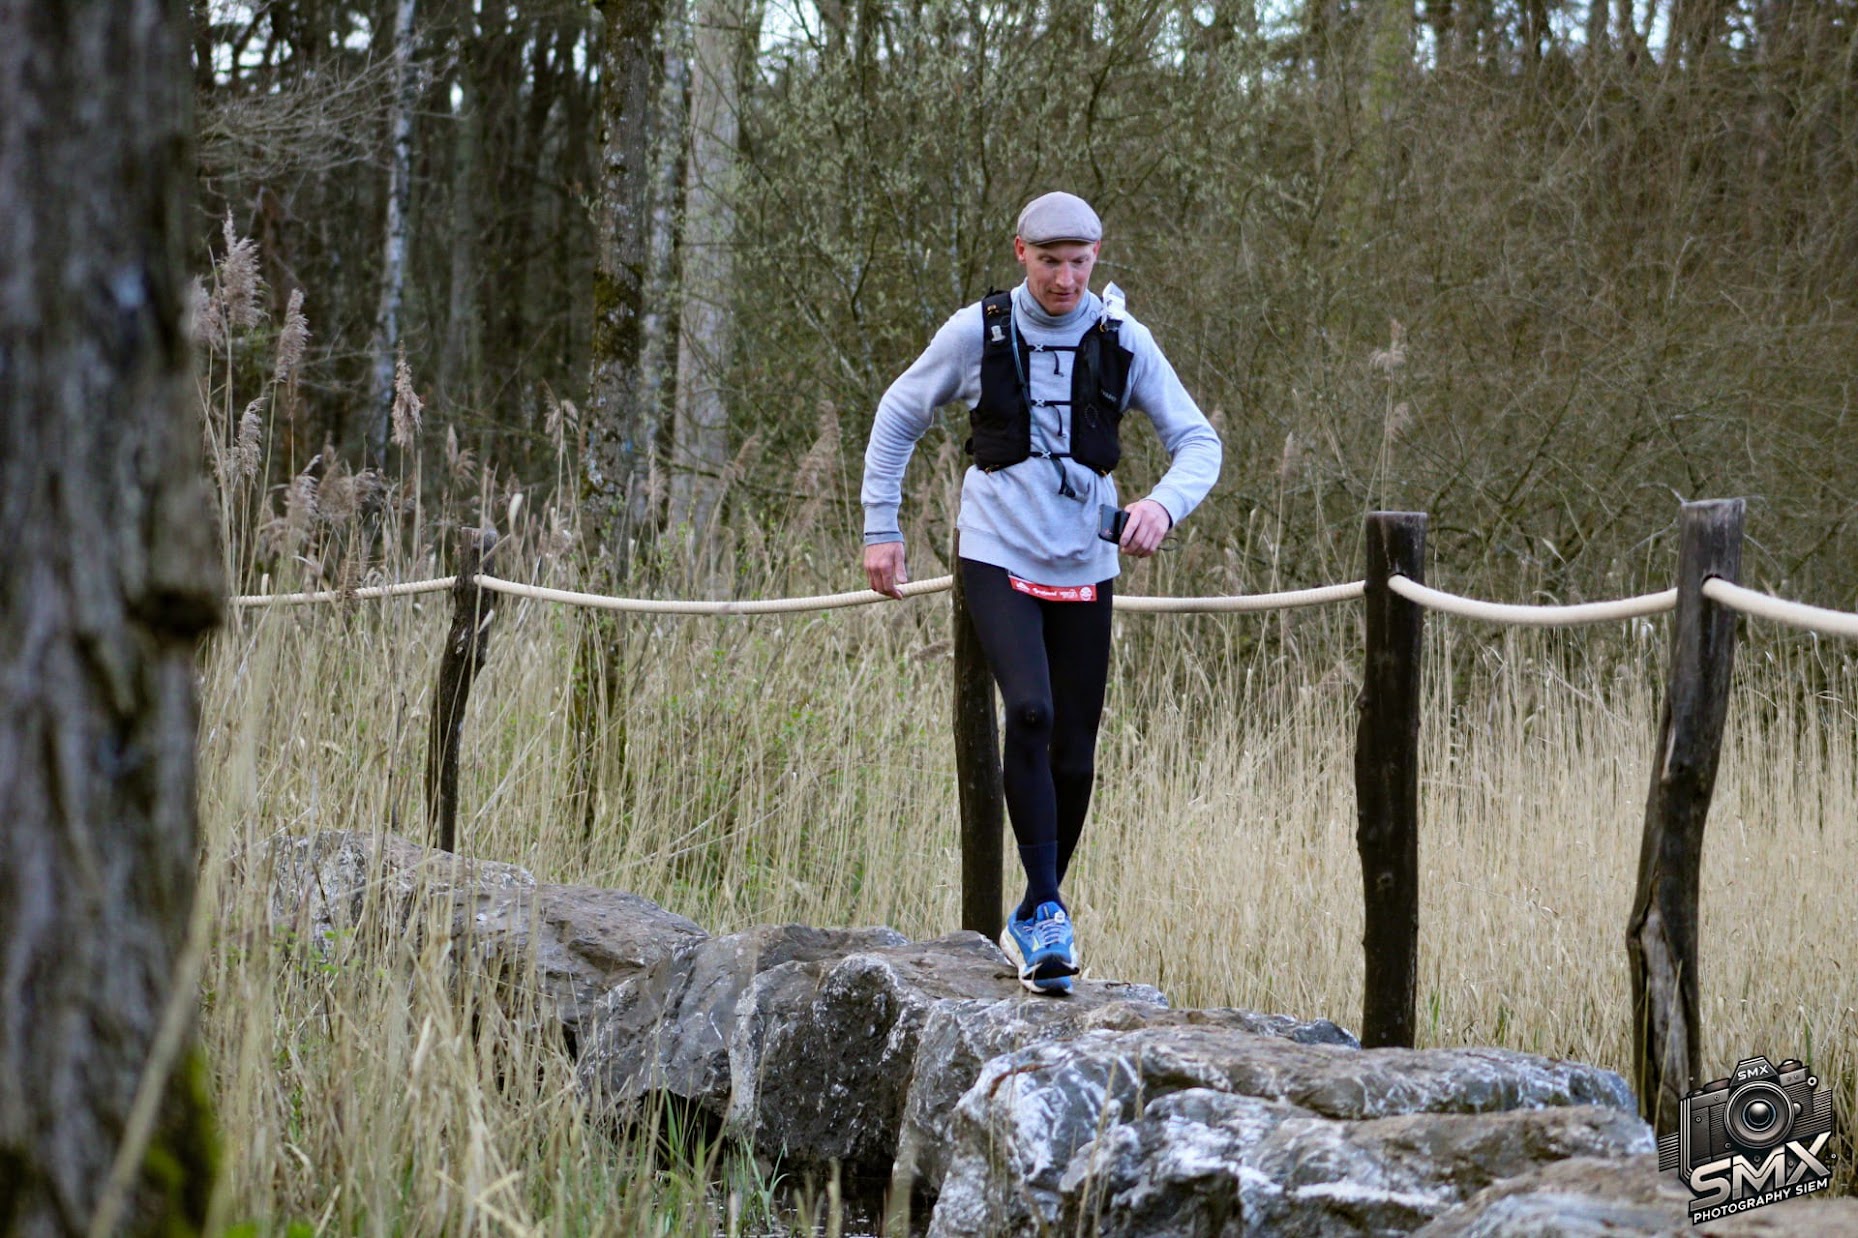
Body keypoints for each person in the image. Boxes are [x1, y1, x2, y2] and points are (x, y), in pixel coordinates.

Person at [859, 192, 1222, 994]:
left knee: (1077, 755)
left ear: (1097, 256)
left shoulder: (1124, 340)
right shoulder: (977, 333)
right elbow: (898, 413)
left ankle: (1034, 909)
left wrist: (1163, 506)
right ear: (1020, 252)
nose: (1064, 278)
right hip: (996, 550)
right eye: (1049, 261)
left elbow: (1199, 442)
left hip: (1086, 561)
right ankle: (1051, 910)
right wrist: (880, 527)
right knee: (1029, 710)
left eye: (1078, 262)